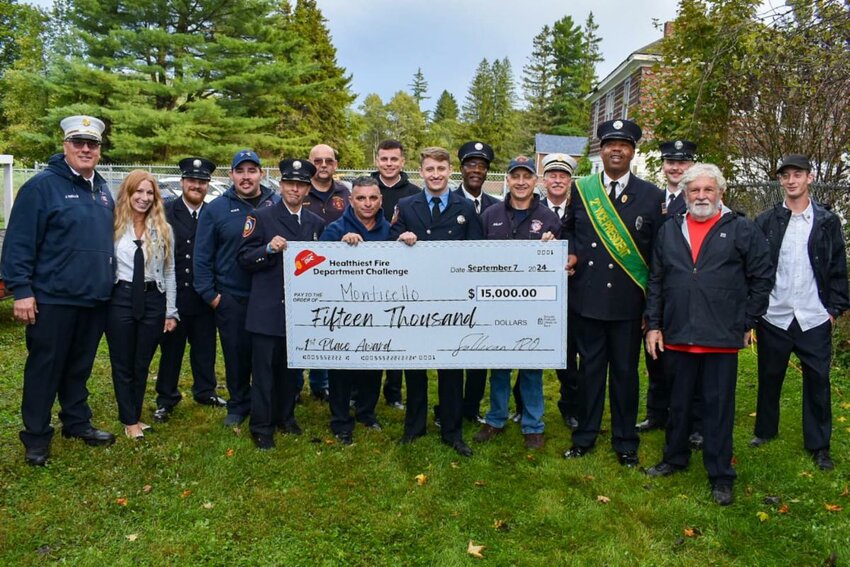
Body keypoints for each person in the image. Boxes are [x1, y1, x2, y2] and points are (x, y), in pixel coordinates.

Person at [644, 163, 773, 505]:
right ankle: (674, 458)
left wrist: (746, 321)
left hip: (720, 336)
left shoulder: (742, 229)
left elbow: (762, 277)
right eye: (694, 191)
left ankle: (720, 474)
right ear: (685, 195)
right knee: (678, 403)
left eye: (707, 190)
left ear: (720, 193)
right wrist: (654, 324)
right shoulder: (670, 229)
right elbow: (656, 280)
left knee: (718, 409)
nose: (701, 196)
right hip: (677, 333)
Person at [1, 115, 116, 465]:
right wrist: (22, 290)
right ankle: (36, 437)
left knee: (78, 367)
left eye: (92, 144)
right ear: (65, 145)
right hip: (52, 298)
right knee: (45, 369)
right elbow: (19, 242)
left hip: (93, 298)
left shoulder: (102, 189)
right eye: (78, 142)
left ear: (99, 149)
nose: (85, 149)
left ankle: (76, 422)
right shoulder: (42, 187)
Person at [562, 119, 665, 467]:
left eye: (623, 144)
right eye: (610, 144)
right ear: (601, 150)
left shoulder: (652, 196)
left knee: (624, 375)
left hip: (627, 304)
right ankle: (585, 437)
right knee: (589, 373)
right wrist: (571, 252)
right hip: (588, 301)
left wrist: (652, 309)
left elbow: (657, 256)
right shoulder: (583, 189)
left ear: (633, 151)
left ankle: (625, 442)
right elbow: (569, 231)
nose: (616, 149)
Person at [751, 154, 849, 470]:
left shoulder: (826, 221)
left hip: (813, 316)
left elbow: (837, 267)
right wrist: (757, 308)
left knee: (818, 381)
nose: (791, 180)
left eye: (798, 174)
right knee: (769, 375)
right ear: (779, 181)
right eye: (785, 175)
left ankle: (819, 445)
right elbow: (756, 268)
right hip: (775, 315)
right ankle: (765, 430)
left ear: (809, 177)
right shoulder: (766, 221)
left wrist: (833, 309)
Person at [390, 146, 483, 457]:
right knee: (414, 366)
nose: (435, 175)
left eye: (441, 169)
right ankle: (414, 427)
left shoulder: (465, 208)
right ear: (421, 172)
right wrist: (400, 241)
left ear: (449, 171)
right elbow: (390, 246)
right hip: (413, 301)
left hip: (452, 301)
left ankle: (452, 431)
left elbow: (476, 252)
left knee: (451, 368)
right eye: (429, 169)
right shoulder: (406, 205)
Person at [473, 156, 560, 450]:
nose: (521, 182)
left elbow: (560, 263)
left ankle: (533, 424)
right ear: (507, 180)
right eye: (515, 176)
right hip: (497, 304)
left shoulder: (549, 218)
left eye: (526, 176)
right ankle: (495, 418)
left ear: (535, 181)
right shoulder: (490, 214)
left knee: (532, 367)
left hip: (534, 305)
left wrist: (552, 249)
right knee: (498, 365)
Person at [237, 158, 324, 449]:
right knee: (263, 373)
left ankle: (285, 417)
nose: (294, 189)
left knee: (291, 371)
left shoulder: (316, 223)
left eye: (300, 185)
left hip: (298, 311)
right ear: (281, 184)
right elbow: (244, 259)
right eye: (289, 183)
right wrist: (268, 249)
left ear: (307, 189)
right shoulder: (261, 216)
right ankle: (261, 426)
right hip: (267, 308)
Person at [194, 150, 279, 426]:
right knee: (236, 354)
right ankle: (238, 404)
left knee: (266, 356)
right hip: (232, 297)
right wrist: (212, 296)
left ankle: (265, 404)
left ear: (261, 173)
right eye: (240, 171)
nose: (246, 177)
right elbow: (202, 255)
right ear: (231, 175)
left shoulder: (275, 204)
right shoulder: (216, 209)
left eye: (251, 171)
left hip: (267, 297)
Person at [637, 140, 701, 447]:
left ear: (691, 165)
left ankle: (694, 421)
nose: (675, 168)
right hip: (654, 287)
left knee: (689, 359)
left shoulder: (698, 199)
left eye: (682, 162)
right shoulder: (652, 198)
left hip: (684, 292)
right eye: (670, 162)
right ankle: (656, 413)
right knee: (654, 356)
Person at [319, 176, 391, 444]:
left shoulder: (389, 231)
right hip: (343, 311)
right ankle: (340, 420)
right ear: (351, 200)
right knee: (341, 367)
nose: (367, 203)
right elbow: (320, 268)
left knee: (374, 363)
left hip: (378, 310)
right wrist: (340, 248)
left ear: (381, 200)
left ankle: (366, 412)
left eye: (373, 198)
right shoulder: (335, 229)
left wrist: (407, 242)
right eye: (361, 198)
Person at [106, 171, 178, 439]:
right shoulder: (112, 225)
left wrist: (171, 310)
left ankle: (134, 414)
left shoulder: (163, 229)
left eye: (150, 193)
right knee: (122, 361)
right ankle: (129, 420)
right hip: (120, 298)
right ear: (128, 192)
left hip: (153, 299)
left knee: (142, 361)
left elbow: (170, 272)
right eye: (139, 192)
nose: (144, 198)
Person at [153, 157, 225, 423]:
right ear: (183, 182)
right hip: (176, 294)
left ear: (208, 185)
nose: (197, 185)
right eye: (192, 180)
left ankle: (205, 391)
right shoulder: (166, 211)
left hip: (204, 295)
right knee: (171, 351)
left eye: (202, 182)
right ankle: (166, 397)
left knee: (205, 347)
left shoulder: (212, 213)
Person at [448, 141, 500, 425]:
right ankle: (452, 406)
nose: (476, 170)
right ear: (462, 169)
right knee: (454, 351)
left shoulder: (497, 206)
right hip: (455, 288)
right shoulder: (450, 202)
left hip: (486, 289)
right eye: (471, 165)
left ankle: (471, 407)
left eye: (481, 166)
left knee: (481, 352)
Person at [371, 140, 421, 411]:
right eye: (384, 159)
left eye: (394, 159)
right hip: (371, 271)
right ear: (377, 160)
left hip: (404, 275)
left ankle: (394, 391)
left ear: (403, 162)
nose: (389, 164)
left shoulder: (413, 193)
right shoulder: (365, 187)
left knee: (398, 332)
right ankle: (363, 387)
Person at [301, 144, 351, 402]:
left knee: (331, 324)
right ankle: (296, 383)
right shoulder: (299, 188)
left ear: (336, 164)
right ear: (309, 163)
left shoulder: (346, 193)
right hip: (304, 269)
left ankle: (323, 382)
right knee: (302, 325)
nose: (323, 165)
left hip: (339, 272)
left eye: (328, 160)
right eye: (317, 160)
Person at [540, 152, 580, 430]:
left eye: (563, 175)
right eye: (552, 175)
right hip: (539, 297)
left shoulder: (583, 209)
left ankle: (570, 407)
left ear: (570, 180)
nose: (557, 180)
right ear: (544, 180)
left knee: (570, 355)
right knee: (529, 351)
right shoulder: (531, 209)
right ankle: (522, 406)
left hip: (575, 292)